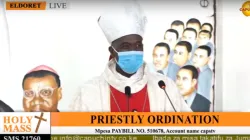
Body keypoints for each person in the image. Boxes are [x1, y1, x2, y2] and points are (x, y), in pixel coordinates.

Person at [70, 1, 191, 112]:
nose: (134, 50)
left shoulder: (165, 88)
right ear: (112, 51)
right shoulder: (89, 92)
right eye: (125, 46)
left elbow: (190, 128)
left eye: (138, 45)